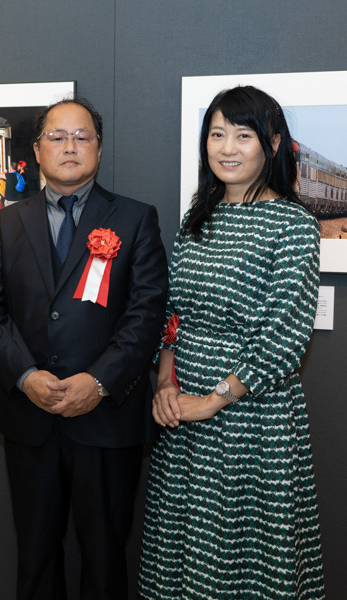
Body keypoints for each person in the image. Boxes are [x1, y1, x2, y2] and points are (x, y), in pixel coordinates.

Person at [0, 97, 168, 600]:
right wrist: (26, 376)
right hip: (30, 418)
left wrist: (99, 381)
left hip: (105, 420)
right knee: (36, 553)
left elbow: (145, 316)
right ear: (37, 150)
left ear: (99, 149)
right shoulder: (7, 223)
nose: (70, 146)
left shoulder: (134, 219)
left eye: (82, 136)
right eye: (57, 137)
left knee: (104, 554)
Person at [139, 86, 326, 599]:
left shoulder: (293, 224)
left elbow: (284, 335)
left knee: (243, 551)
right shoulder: (195, 219)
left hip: (251, 414)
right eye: (217, 134)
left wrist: (215, 399)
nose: (227, 147)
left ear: (271, 143)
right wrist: (164, 384)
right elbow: (172, 315)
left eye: (242, 135)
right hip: (182, 407)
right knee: (184, 542)